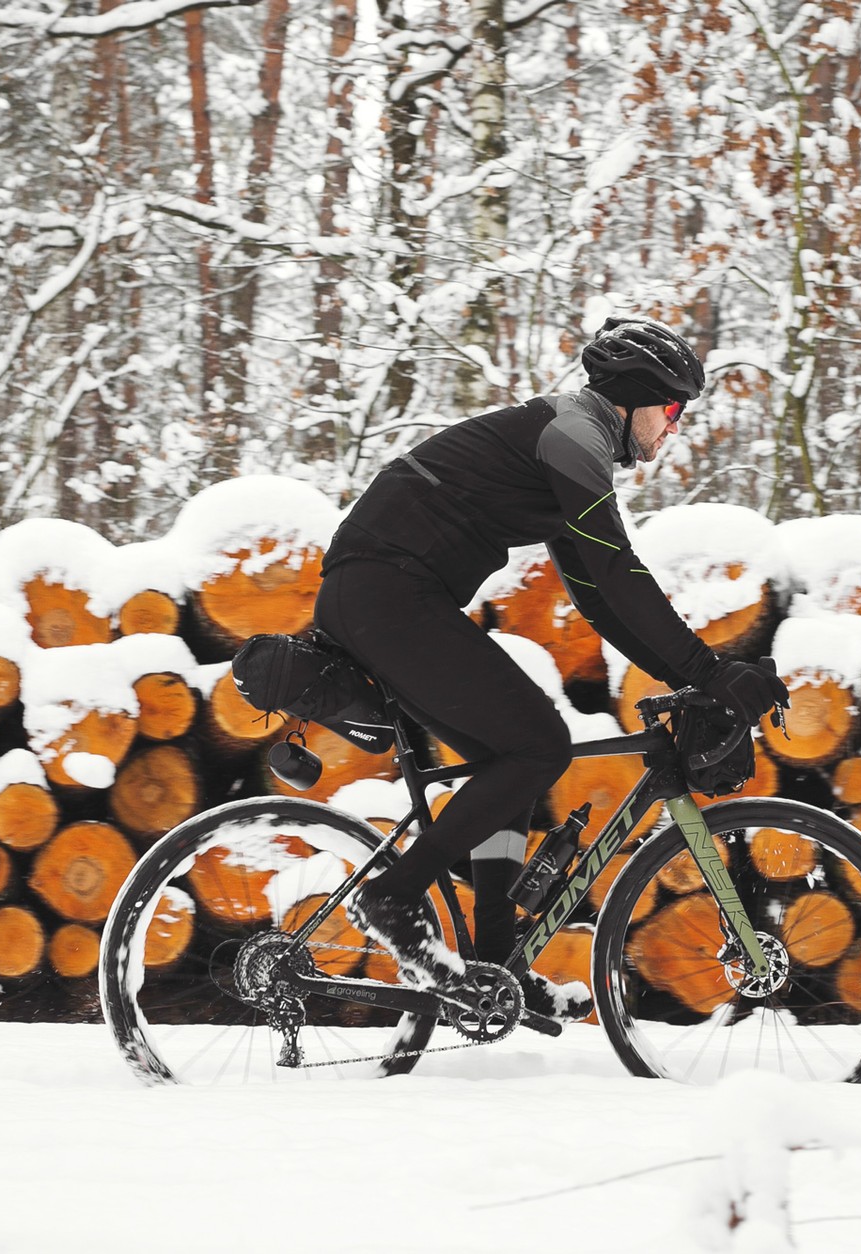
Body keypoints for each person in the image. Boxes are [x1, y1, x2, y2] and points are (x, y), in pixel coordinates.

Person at [313, 316, 789, 1020]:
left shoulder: (568, 441)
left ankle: (493, 966)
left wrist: (693, 676)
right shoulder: (573, 434)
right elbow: (619, 569)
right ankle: (391, 897)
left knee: (509, 763)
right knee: (539, 744)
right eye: (673, 410)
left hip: (387, 593)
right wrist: (712, 671)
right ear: (632, 398)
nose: (674, 427)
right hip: (386, 591)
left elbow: (599, 603)